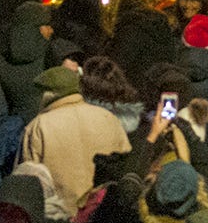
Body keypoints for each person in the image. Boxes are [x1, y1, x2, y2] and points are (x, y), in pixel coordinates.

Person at [19, 64, 131, 211]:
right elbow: (125, 166)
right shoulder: (108, 118)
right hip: (101, 214)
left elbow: (29, 183)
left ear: (47, 95)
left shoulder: (37, 126)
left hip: (58, 219)